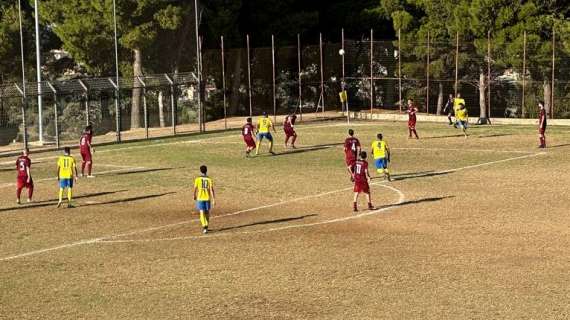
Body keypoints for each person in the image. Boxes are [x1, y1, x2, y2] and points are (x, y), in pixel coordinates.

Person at [194, 165, 215, 234]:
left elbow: (195, 189)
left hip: (200, 198)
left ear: (200, 171)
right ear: (206, 170)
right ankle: (206, 226)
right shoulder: (209, 179)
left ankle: (205, 226)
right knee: (207, 213)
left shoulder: (197, 179)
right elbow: (212, 190)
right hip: (207, 198)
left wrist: (194, 195)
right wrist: (213, 199)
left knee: (202, 212)